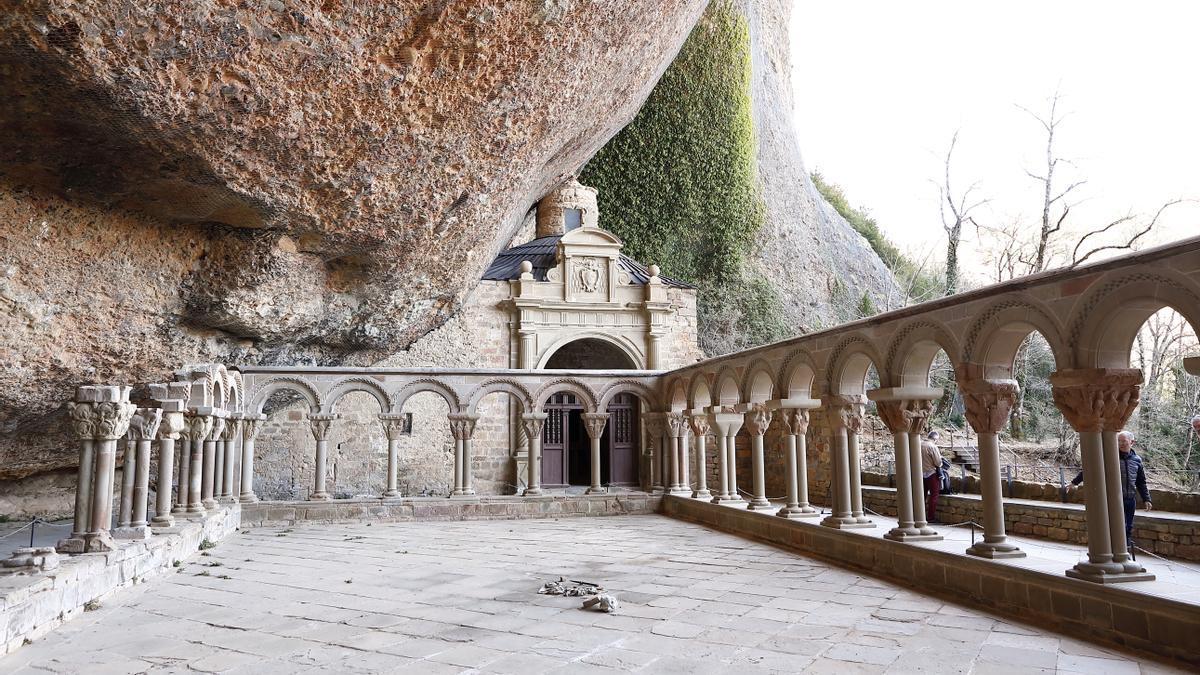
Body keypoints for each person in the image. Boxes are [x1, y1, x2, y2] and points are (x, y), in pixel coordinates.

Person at [1069, 430, 1153, 548]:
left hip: (1130, 499)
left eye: (1123, 441)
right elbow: (1090, 468)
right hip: (1114, 499)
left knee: (1128, 527)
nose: (1121, 444)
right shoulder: (1110, 456)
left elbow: (1141, 482)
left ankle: (1126, 553)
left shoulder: (1137, 460)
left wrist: (1146, 499)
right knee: (1116, 527)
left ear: (1132, 442)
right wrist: (1074, 482)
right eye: (1118, 441)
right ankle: (1115, 551)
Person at [921, 431, 944, 523]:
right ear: (935, 439)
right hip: (931, 473)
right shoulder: (932, 446)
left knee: (922, 495)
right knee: (934, 495)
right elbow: (938, 462)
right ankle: (930, 517)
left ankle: (920, 516)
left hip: (920, 473)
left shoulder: (919, 444)